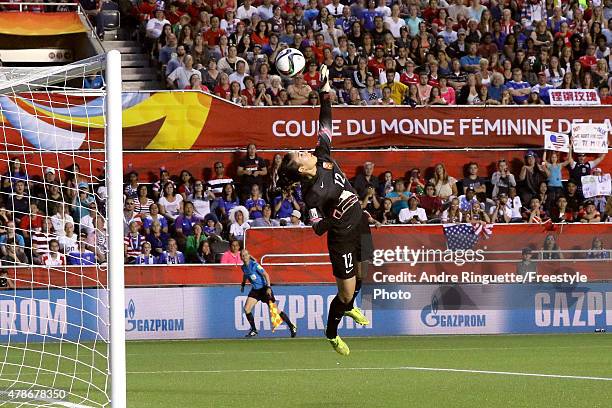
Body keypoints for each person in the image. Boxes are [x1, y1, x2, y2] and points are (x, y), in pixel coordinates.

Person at [278, 66, 372, 356]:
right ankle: (331, 333)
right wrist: (335, 218)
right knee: (344, 292)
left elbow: (326, 121)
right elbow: (317, 228)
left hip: (360, 222)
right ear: (300, 169)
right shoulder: (311, 194)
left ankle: (350, 306)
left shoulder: (322, 154)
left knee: (364, 274)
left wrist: (325, 91)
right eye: (299, 155)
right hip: (341, 236)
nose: (303, 151)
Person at [240, 249, 297, 338]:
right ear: (241, 257)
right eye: (243, 256)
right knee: (247, 309)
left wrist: (268, 287)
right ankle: (254, 330)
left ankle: (292, 326)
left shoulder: (255, 265)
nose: (245, 257)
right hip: (255, 291)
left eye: (246, 255)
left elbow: (266, 275)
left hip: (264, 289)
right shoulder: (243, 267)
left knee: (275, 311)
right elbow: (245, 275)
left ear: (248, 255)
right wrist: (243, 284)